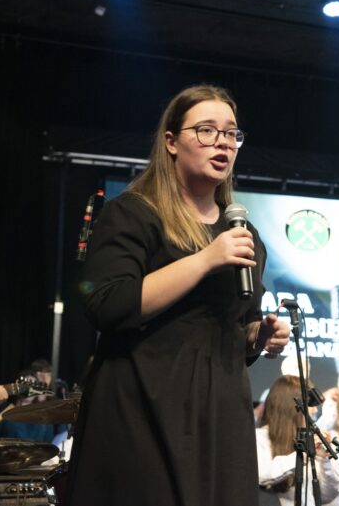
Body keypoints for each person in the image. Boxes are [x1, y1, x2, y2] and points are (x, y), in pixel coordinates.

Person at [67, 85, 291, 506]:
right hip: (143, 410)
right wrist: (204, 260)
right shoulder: (133, 214)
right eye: (206, 130)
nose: (222, 142)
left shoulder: (244, 235)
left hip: (220, 414)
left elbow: (237, 326)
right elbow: (107, 303)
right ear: (171, 141)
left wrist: (260, 335)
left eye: (231, 133)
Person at [256, 375, 339, 506]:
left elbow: (327, 495)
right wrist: (302, 454)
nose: (315, 410)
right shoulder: (260, 437)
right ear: (292, 406)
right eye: (310, 404)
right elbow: (262, 476)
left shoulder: (306, 437)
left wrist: (324, 461)